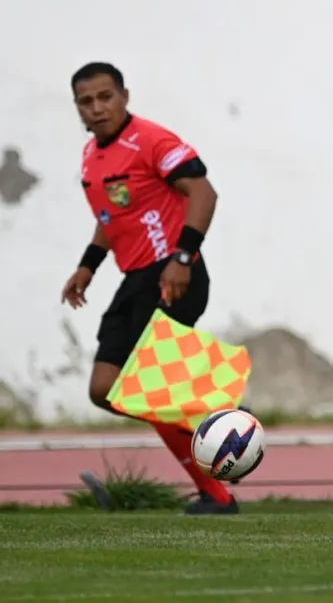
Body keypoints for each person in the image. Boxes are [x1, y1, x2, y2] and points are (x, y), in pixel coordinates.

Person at [61, 62, 238, 515]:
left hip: (173, 275)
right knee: (104, 389)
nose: (97, 108)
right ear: (78, 108)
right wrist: (87, 266)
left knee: (146, 389)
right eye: (87, 101)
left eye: (106, 97)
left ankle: (216, 494)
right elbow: (112, 217)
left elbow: (204, 193)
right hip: (135, 280)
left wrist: (183, 258)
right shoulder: (92, 156)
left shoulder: (153, 140)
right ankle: (207, 422)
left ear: (125, 96)